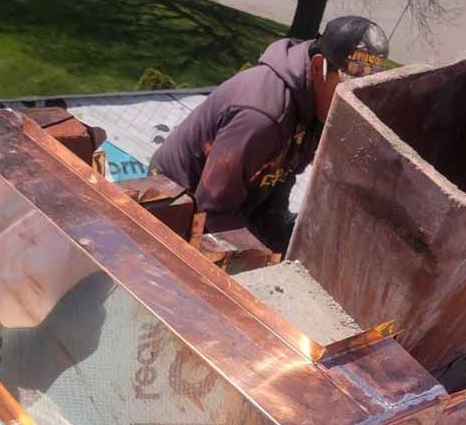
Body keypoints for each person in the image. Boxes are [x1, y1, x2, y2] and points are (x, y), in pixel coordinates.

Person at [150, 15, 390, 254]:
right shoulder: (262, 116)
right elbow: (211, 210)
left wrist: (279, 236)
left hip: (230, 203)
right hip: (174, 202)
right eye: (346, 88)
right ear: (318, 67)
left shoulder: (316, 104)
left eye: (361, 92)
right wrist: (260, 256)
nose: (352, 101)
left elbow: (280, 178)